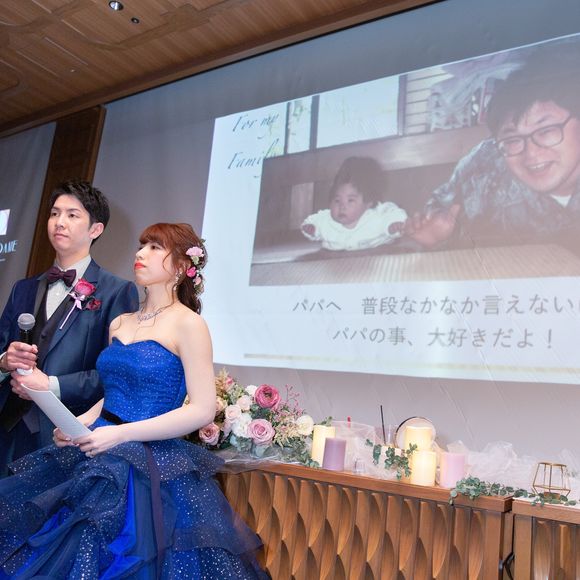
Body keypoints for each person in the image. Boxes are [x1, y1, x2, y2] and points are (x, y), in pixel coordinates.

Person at [0, 223, 269, 578]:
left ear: (181, 267)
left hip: (150, 463)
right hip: (99, 448)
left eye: (155, 247)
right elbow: (112, 393)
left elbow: (202, 409)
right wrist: (78, 423)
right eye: (142, 246)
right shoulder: (121, 322)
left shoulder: (188, 324)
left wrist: (120, 434)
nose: (140, 253)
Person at [0, 180, 139, 474]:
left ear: (95, 229)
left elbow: (116, 375)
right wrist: (4, 361)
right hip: (7, 428)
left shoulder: (116, 291)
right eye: (54, 213)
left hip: (65, 435)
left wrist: (50, 386)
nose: (59, 222)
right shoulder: (22, 288)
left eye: (72, 215)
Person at [403, 45, 580, 251]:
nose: (531, 153)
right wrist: (433, 238)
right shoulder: (482, 166)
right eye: (512, 139)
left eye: (546, 130)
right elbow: (439, 212)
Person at [301, 156, 407, 251]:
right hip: (335, 260)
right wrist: (311, 229)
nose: (342, 206)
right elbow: (314, 221)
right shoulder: (326, 220)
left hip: (377, 253)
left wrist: (393, 225)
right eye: (337, 200)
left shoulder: (377, 216)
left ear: (368, 202)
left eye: (350, 200)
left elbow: (392, 213)